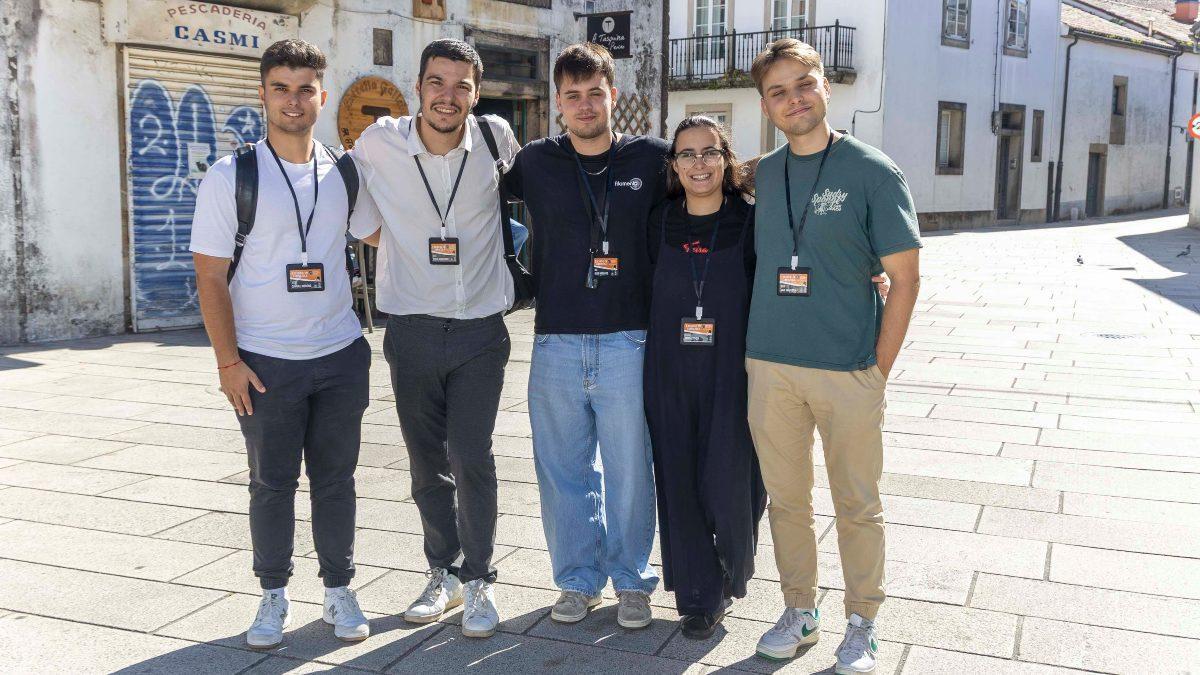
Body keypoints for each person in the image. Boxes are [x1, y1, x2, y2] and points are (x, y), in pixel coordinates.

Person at [744, 39, 921, 675]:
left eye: (803, 84)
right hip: (770, 364)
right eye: (778, 92)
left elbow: (905, 277)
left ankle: (863, 621)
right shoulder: (762, 175)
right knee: (787, 500)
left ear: (824, 86)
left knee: (857, 504)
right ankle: (800, 610)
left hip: (848, 369)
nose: (793, 100)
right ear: (765, 106)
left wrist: (877, 371)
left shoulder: (873, 170)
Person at [190, 38, 371, 649]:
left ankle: (339, 588)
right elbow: (210, 276)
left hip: (340, 354)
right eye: (281, 88)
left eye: (305, 89)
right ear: (263, 94)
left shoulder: (345, 171)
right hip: (265, 362)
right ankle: (272, 594)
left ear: (323, 95)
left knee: (337, 481)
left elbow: (382, 233)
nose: (294, 100)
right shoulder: (232, 174)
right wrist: (228, 362)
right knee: (271, 484)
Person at [348, 38, 519, 639]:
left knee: (470, 456)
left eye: (462, 85)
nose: (448, 96)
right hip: (413, 329)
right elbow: (359, 216)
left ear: (476, 92)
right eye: (437, 82)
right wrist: (403, 245)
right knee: (426, 464)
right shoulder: (379, 143)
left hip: (480, 331)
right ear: (417, 86)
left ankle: (480, 578)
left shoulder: (496, 139)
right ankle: (442, 572)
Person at [503, 43, 664, 629]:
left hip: (630, 340)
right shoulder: (535, 161)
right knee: (563, 470)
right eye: (573, 95)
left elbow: (712, 194)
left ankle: (632, 580)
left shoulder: (653, 159)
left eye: (595, 93)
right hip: (556, 340)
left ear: (613, 95)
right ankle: (576, 580)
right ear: (558, 103)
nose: (585, 104)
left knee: (630, 469)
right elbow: (473, 202)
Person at [645, 116, 765, 640]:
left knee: (732, 479)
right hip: (669, 371)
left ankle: (732, 567)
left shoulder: (750, 220)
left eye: (709, 152)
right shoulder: (658, 222)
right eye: (687, 154)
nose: (699, 163)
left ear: (726, 159)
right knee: (679, 480)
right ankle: (698, 595)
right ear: (673, 165)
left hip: (732, 372)